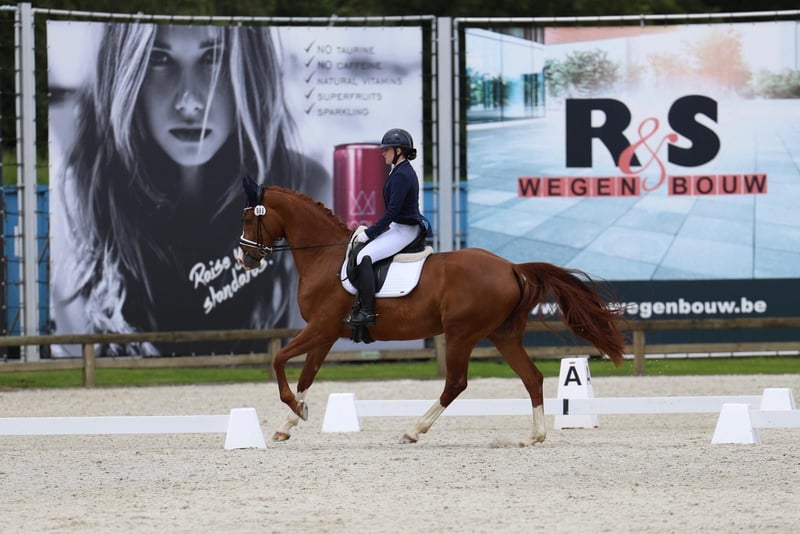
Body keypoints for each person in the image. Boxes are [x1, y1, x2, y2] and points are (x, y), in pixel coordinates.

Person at [50, 22, 329, 356]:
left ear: (252, 69)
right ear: (123, 71)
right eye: (159, 59)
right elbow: (79, 369)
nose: (189, 101)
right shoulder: (77, 201)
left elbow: (312, 362)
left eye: (213, 57)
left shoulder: (304, 193)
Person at [345, 128, 431, 327]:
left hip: (405, 230)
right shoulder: (399, 170)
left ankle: (367, 311)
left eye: (387, 149)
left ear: (398, 150)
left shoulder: (402, 175)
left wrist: (369, 233)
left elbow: (392, 211)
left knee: (363, 256)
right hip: (398, 227)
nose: (383, 153)